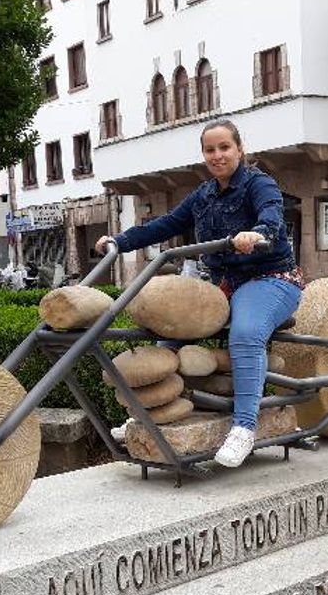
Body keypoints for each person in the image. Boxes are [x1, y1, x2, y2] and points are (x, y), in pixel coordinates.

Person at [95, 118, 303, 468]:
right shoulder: (203, 196)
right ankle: (148, 416)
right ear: (204, 155)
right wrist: (120, 241)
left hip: (271, 279)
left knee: (246, 334)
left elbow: (272, 214)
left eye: (225, 147)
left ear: (239, 149)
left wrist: (258, 233)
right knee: (167, 336)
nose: (218, 155)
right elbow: (165, 224)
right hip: (222, 287)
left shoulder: (259, 183)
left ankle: (244, 428)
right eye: (210, 150)